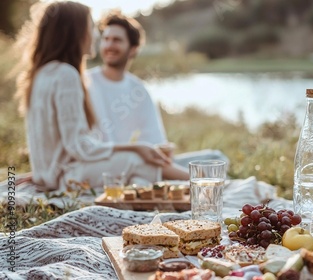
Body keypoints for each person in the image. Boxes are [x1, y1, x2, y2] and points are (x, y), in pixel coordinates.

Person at [14, 1, 189, 192]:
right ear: (75, 32)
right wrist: (134, 148)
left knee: (139, 172)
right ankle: (201, 183)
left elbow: (64, 145)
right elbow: (79, 146)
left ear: (133, 49)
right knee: (136, 160)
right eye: (91, 27)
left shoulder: (42, 73)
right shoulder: (67, 75)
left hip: (50, 174)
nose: (96, 35)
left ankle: (157, 191)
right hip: (65, 177)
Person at [87, 11, 229, 168]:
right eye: (105, 39)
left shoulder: (138, 90)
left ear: (133, 49)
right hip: (100, 163)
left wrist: (163, 150)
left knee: (216, 159)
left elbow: (154, 142)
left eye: (116, 40)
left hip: (132, 164)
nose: (109, 45)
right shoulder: (85, 82)